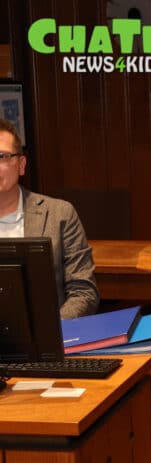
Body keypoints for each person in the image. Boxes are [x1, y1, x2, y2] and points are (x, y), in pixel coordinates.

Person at [0, 118, 99, 319]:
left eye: (2, 156)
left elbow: (84, 292)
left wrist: (50, 330)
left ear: (21, 165)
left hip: (50, 333)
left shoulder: (60, 214)